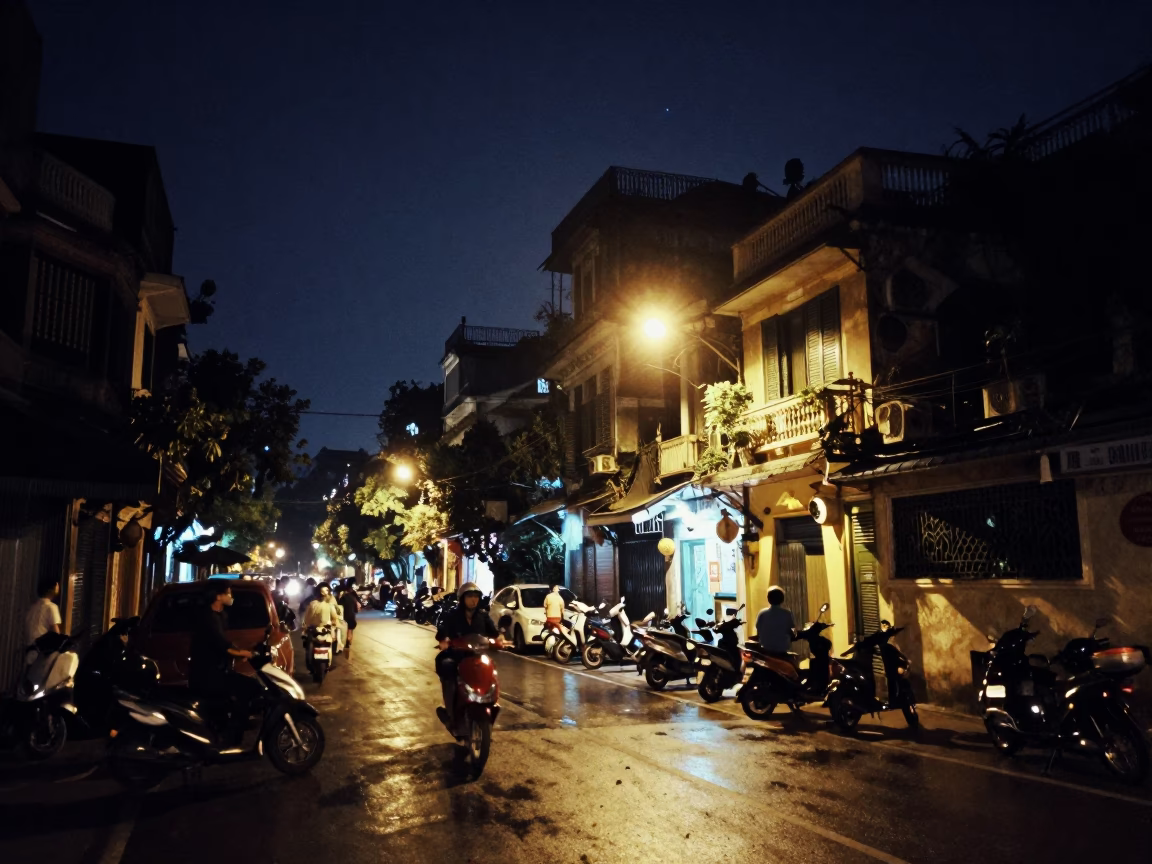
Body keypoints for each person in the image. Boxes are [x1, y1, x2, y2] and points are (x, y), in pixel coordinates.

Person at [189, 581, 258, 742]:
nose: (231, 596)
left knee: (247, 688)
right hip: (207, 674)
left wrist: (241, 652)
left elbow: (227, 642)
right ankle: (231, 735)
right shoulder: (208, 617)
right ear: (218, 596)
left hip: (220, 670)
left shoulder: (222, 615)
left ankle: (230, 730)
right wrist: (244, 653)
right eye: (228, 593)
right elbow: (222, 646)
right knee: (246, 689)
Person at [434, 582, 504, 734]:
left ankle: (491, 702)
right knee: (447, 666)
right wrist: (444, 640)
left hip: (477, 655)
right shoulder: (453, 615)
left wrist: (500, 639)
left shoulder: (483, 616)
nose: (473, 600)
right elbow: (443, 630)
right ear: (462, 598)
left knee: (491, 669)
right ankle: (451, 712)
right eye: (470, 596)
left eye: (476, 597)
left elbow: (494, 633)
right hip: (458, 655)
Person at [755, 585, 798, 674]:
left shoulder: (762, 613)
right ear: (782, 599)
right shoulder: (787, 614)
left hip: (765, 651)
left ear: (768, 599)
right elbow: (792, 630)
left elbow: (758, 629)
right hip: (782, 652)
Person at [25, 576, 63, 648]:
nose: (58, 587)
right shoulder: (51, 607)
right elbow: (56, 634)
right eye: (57, 585)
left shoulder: (32, 607)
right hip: (42, 652)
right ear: (51, 589)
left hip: (29, 650)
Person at [337, 579, 360, 661]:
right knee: (350, 631)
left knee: (344, 632)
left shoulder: (341, 597)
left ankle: (345, 644)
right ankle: (348, 644)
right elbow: (356, 609)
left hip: (344, 618)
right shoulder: (353, 597)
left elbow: (338, 608)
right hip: (351, 618)